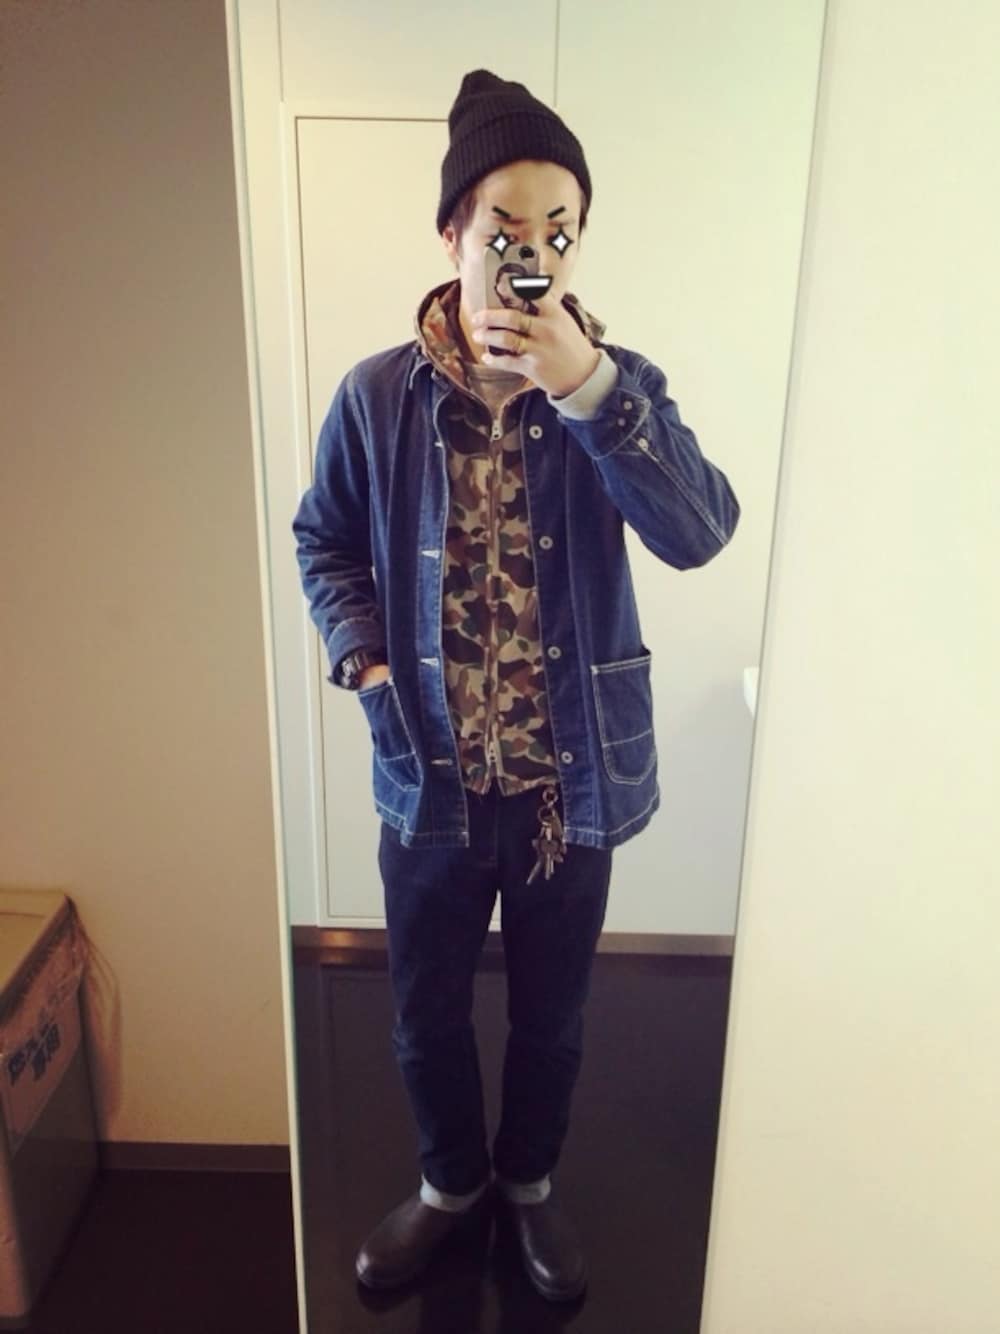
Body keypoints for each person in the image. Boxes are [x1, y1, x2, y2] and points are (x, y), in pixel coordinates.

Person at [292, 68, 740, 1302]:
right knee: (424, 1010)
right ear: (452, 231)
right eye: (505, 229)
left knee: (552, 1013)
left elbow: (701, 530)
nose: (531, 258)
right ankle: (450, 1185)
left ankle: (528, 1184)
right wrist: (366, 658)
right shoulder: (377, 397)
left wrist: (587, 389)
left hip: (564, 788)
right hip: (428, 777)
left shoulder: (611, 382)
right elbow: (323, 540)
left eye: (559, 232)